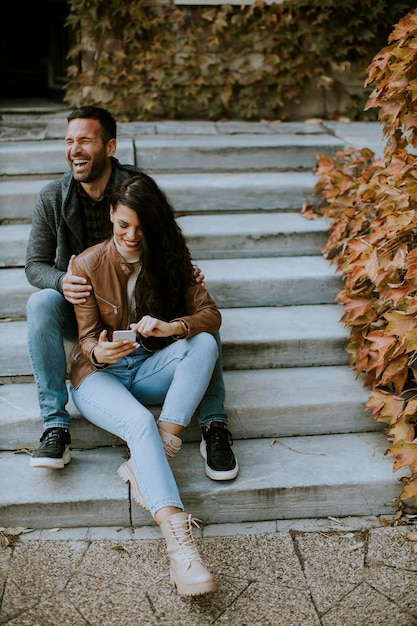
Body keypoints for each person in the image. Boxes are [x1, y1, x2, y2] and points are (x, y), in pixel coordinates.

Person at [25, 105, 238, 480]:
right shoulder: (52, 197)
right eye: (69, 141)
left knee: (201, 321)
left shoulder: (136, 188)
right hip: (80, 302)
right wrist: (62, 281)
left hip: (139, 306)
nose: (75, 149)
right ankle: (55, 425)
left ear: (109, 147)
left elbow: (168, 243)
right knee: (40, 302)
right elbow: (33, 265)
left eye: (85, 140)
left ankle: (214, 423)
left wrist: (184, 272)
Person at [68, 173, 219, 595]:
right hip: (98, 378)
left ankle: (160, 448)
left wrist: (172, 327)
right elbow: (83, 341)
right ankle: (180, 548)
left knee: (203, 342)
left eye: (141, 227)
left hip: (149, 368)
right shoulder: (87, 264)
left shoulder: (170, 257)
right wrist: (99, 352)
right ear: (112, 217)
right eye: (123, 225)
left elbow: (210, 315)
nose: (132, 236)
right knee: (136, 422)